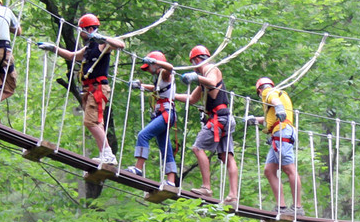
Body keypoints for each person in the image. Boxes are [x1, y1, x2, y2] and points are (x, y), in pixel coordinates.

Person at [37, 13, 125, 165]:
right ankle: (105, 154)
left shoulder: (102, 45)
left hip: (98, 88)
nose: (80, 33)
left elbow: (120, 45)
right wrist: (54, 48)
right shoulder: (89, 47)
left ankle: (108, 154)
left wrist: (102, 38)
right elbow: (72, 56)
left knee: (91, 122)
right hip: (90, 89)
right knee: (97, 123)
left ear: (90, 29)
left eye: (82, 30)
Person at [178, 45, 238, 206]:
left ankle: (207, 187)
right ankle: (233, 196)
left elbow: (211, 81)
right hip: (225, 119)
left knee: (197, 148)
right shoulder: (203, 79)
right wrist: (171, 95)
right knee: (227, 157)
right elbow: (192, 99)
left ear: (196, 60)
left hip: (219, 119)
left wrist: (196, 77)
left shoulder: (211, 69)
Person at [247, 76, 302, 215]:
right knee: (269, 170)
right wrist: (255, 120)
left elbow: (275, 101)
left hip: (282, 133)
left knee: (289, 169)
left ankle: (297, 207)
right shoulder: (280, 94)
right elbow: (270, 120)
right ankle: (281, 207)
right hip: (280, 133)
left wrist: (278, 107)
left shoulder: (268, 92)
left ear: (259, 90)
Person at [125, 50, 178, 187]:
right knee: (165, 148)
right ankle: (171, 181)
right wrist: (140, 86)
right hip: (163, 114)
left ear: (156, 64)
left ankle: (138, 169)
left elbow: (170, 67)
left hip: (167, 113)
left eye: (149, 67)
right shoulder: (159, 79)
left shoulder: (165, 74)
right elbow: (156, 89)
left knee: (143, 135)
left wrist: (155, 62)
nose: (148, 70)